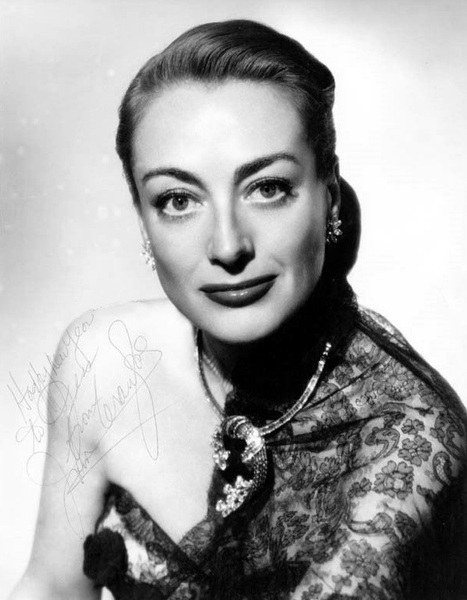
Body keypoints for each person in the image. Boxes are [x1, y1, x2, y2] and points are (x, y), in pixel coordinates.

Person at [9, 19, 467, 600]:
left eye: (267, 188)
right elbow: (50, 585)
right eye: (178, 199)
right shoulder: (103, 361)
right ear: (143, 220)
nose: (228, 246)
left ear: (329, 195)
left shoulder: (406, 446)